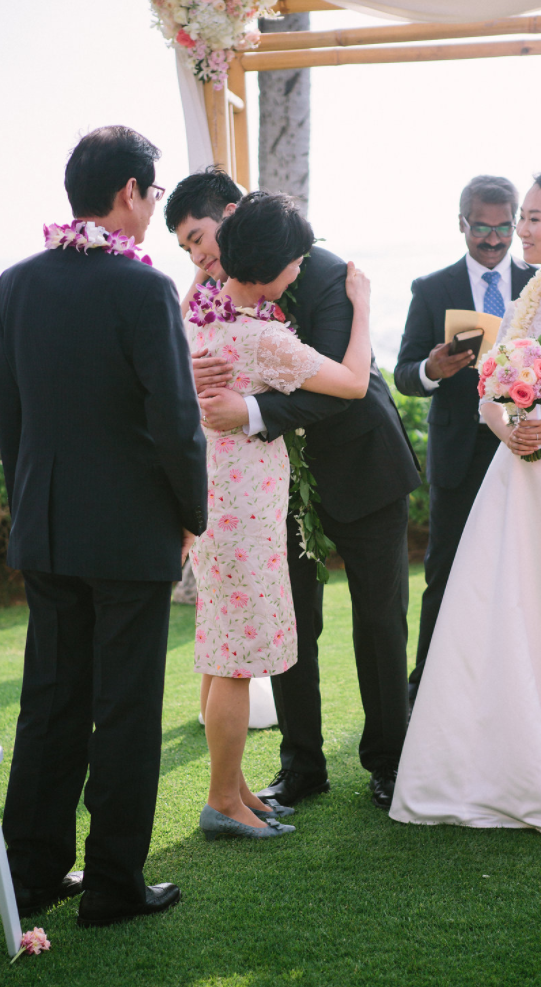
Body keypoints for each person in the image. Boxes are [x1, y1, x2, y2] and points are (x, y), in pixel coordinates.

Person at [0, 126, 208, 927]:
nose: (152, 209)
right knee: (124, 707)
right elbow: (175, 421)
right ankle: (114, 883)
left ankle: (32, 873)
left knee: (50, 703)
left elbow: (12, 417)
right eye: (153, 194)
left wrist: (29, 509)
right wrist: (190, 515)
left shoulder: (16, 283)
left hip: (47, 527)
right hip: (130, 534)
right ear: (129, 192)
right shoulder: (143, 289)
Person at [165, 171, 421, 813]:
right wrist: (192, 371)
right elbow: (190, 348)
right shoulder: (214, 291)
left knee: (379, 621)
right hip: (270, 487)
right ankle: (302, 765)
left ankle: (390, 761)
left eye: (199, 238)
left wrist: (250, 411)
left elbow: (339, 387)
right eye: (186, 248)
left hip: (361, 465)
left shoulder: (325, 272)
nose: (197, 257)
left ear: (231, 217)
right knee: (291, 621)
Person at [391, 164, 541, 837]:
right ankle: (516, 753)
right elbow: (488, 390)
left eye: (531, 217)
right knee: (506, 610)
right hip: (513, 476)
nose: (519, 230)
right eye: (520, 217)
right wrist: (506, 427)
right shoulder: (520, 306)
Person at [187, 192, 372, 840]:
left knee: (222, 651)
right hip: (244, 515)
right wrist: (363, 307)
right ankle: (222, 801)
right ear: (272, 267)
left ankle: (236, 790)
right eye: (295, 260)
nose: (300, 270)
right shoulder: (263, 337)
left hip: (215, 505)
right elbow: (353, 382)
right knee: (237, 661)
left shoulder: (203, 318)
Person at [395, 175, 536, 706]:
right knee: (446, 571)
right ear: (462, 224)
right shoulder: (432, 289)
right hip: (459, 451)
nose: (494, 239)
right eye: (482, 227)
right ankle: (426, 692)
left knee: (523, 570)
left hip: (524, 444)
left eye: (504, 227)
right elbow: (404, 372)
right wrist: (431, 369)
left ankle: (516, 690)